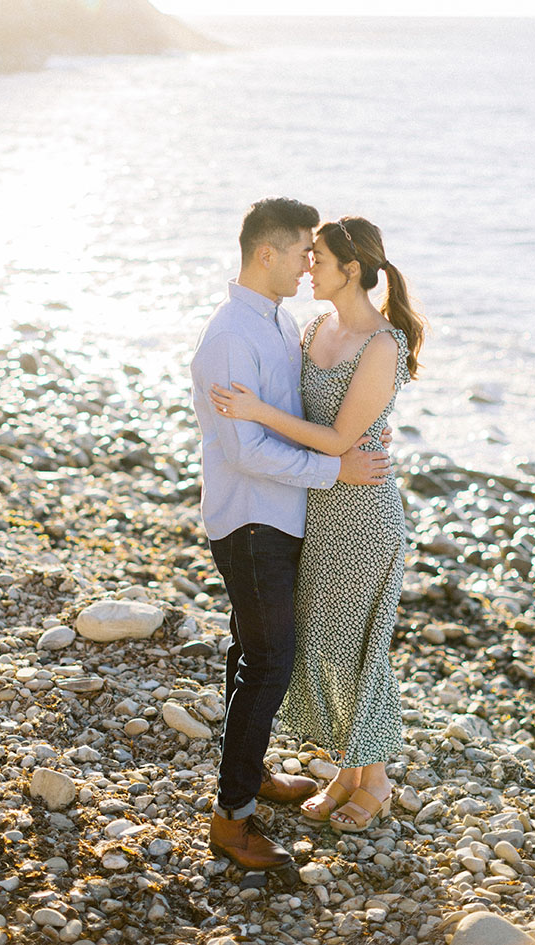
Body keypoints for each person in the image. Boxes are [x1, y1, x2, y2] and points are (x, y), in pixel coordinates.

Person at [190, 198, 392, 871]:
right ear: (267, 254)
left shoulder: (280, 320)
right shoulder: (230, 338)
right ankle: (233, 816)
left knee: (252, 649)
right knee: (270, 661)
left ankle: (251, 778)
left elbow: (307, 405)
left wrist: (354, 435)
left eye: (319, 253)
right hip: (252, 518)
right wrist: (335, 468)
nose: (311, 261)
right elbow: (247, 449)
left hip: (282, 515)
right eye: (304, 249)